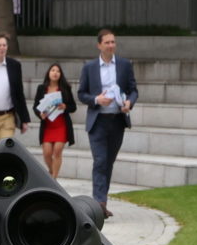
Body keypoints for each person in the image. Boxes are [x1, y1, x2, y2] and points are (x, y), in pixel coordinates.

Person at [75, 28, 137, 218]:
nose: (111, 46)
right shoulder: (90, 67)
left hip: (117, 121)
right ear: (99, 45)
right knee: (100, 161)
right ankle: (99, 203)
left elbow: (133, 90)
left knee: (108, 162)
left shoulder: (125, 65)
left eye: (113, 42)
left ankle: (102, 200)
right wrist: (96, 100)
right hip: (98, 121)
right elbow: (81, 94)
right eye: (107, 42)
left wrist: (129, 103)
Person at [32, 61, 75, 179]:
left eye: (58, 71)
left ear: (60, 74)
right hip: (47, 126)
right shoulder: (41, 88)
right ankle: (51, 171)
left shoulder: (65, 88)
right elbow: (35, 106)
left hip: (61, 124)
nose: (55, 73)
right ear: (48, 73)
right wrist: (40, 114)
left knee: (57, 151)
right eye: (53, 70)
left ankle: (54, 179)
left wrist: (65, 107)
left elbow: (73, 107)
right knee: (47, 153)